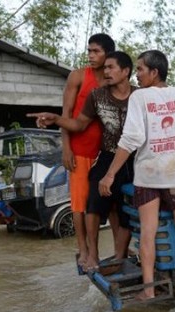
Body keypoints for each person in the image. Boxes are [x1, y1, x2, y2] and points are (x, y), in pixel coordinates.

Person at [98, 50, 175, 300]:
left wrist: (109, 174)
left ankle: (148, 289)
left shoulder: (140, 97)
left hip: (148, 175)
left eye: (140, 69)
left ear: (154, 72)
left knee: (147, 231)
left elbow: (132, 138)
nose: (137, 74)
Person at [29, 52, 136, 271]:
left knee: (126, 209)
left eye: (111, 67)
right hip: (108, 155)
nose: (105, 72)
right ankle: (93, 255)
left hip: (135, 158)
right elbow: (79, 124)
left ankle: (120, 256)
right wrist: (56, 119)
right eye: (104, 68)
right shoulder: (97, 96)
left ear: (125, 72)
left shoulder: (141, 96)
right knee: (93, 199)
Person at [60, 33, 115, 270]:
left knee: (112, 201)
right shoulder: (78, 76)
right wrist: (66, 148)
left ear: (108, 54)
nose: (91, 55)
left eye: (96, 51)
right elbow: (66, 114)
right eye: (89, 51)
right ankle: (84, 250)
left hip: (106, 152)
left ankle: (117, 251)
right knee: (80, 205)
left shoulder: (114, 77)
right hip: (80, 150)